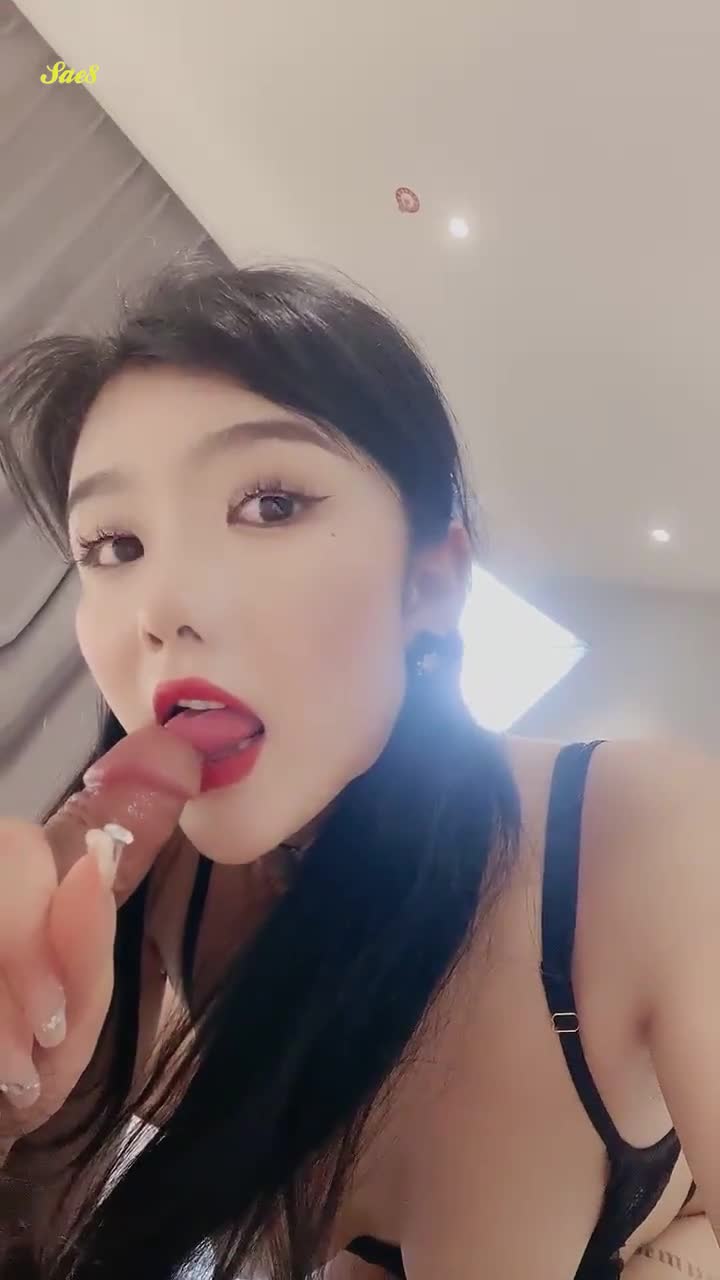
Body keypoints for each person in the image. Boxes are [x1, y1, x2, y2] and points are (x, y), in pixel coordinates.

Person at [0, 257, 717, 1280]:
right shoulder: (149, 881)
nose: (161, 605)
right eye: (114, 544)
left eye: (270, 504)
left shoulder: (647, 834)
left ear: (429, 585)